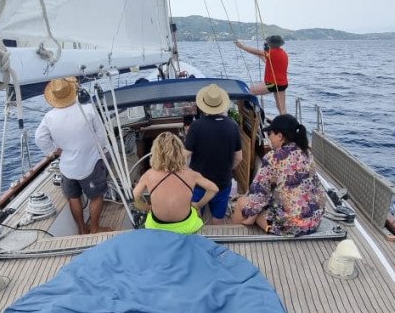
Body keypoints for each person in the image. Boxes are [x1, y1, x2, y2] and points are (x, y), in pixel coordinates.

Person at [34, 77, 108, 235]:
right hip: (90, 163)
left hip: (67, 168)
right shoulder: (88, 109)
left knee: (73, 197)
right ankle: (95, 228)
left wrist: (54, 151)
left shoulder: (49, 117)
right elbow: (102, 137)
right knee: (96, 196)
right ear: (72, 91)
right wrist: (96, 148)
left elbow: (40, 138)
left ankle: (81, 228)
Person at [232, 113, 324, 235]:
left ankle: (235, 237)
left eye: (270, 133)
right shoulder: (306, 151)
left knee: (240, 203)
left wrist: (251, 214)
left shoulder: (274, 157)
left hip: (293, 227)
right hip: (314, 221)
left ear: (280, 136)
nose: (269, 137)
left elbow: (259, 193)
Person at [132, 132, 218, 234]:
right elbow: (213, 189)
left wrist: (147, 208)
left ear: (155, 153)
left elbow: (134, 198)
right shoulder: (191, 174)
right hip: (186, 226)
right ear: (180, 152)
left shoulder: (149, 175)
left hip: (157, 227)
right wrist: (198, 205)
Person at [184, 83, 243, 221]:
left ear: (203, 105)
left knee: (195, 217)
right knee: (218, 218)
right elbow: (239, 157)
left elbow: (184, 155)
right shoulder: (233, 126)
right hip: (223, 182)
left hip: (199, 183)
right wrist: (227, 169)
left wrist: (187, 174)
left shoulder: (196, 126)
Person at [235, 34, 289, 115]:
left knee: (250, 91)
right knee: (282, 108)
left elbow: (256, 51)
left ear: (271, 44)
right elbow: (269, 62)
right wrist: (260, 56)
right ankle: (286, 122)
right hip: (282, 84)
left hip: (273, 84)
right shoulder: (282, 52)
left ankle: (250, 113)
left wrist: (242, 47)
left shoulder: (272, 52)